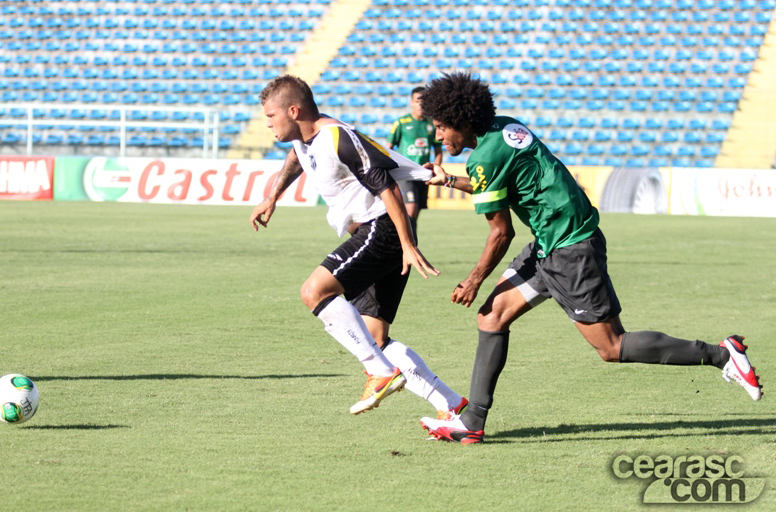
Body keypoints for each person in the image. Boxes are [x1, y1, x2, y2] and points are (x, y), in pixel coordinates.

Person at [416, 72, 763, 444]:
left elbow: (501, 232)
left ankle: (722, 355)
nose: (438, 136)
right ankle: (472, 423)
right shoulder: (504, 129)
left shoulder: (484, 155)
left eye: (440, 126)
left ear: (463, 121)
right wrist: (451, 180)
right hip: (552, 242)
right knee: (492, 316)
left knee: (611, 346)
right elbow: (495, 181)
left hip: (570, 249)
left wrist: (473, 279)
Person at [250, 75, 467, 419]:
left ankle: (379, 374)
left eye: (272, 116)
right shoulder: (304, 141)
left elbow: (387, 189)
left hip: (383, 230)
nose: (269, 124)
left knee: (314, 291)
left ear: (293, 110)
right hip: (381, 233)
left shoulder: (337, 138)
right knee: (374, 338)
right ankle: (451, 405)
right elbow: (296, 159)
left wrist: (407, 244)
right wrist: (272, 197)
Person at [385, 87, 443, 228]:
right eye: (417, 101)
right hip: (406, 173)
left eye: (424, 101)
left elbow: (438, 150)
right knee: (411, 209)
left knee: (415, 212)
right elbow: (388, 148)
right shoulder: (401, 123)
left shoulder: (431, 124)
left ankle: (410, 243)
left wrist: (436, 167)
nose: (421, 104)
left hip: (423, 174)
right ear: (411, 102)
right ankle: (404, 244)